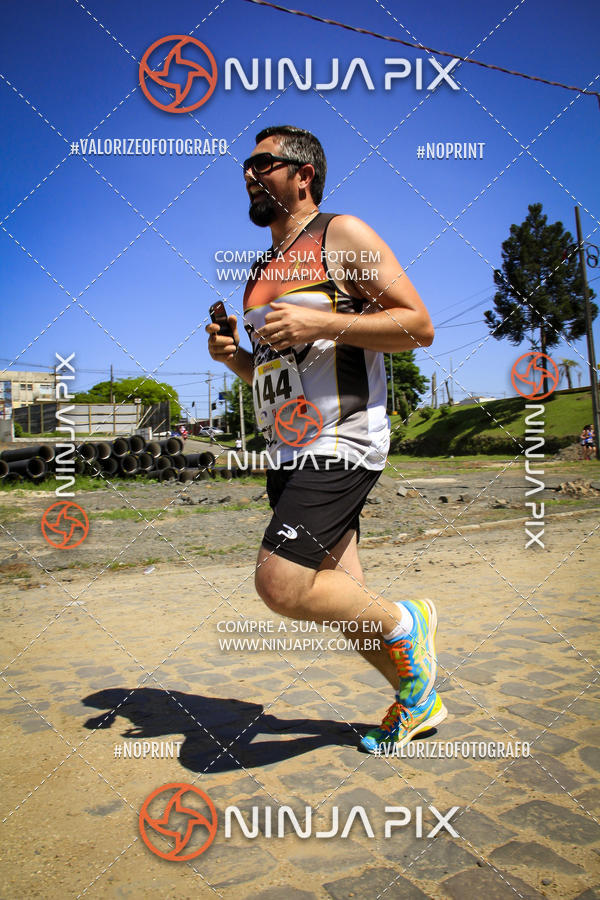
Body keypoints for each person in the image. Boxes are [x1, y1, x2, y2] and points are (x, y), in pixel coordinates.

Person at [206, 125, 445, 752]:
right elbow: (279, 370)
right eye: (245, 166)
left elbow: (417, 326)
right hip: (288, 446)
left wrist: (321, 318)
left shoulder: (342, 235)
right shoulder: (260, 270)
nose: (248, 174)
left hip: (342, 438)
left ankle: (408, 620)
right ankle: (416, 698)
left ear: (303, 172)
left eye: (260, 162)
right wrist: (238, 357)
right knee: (340, 595)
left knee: (282, 583)